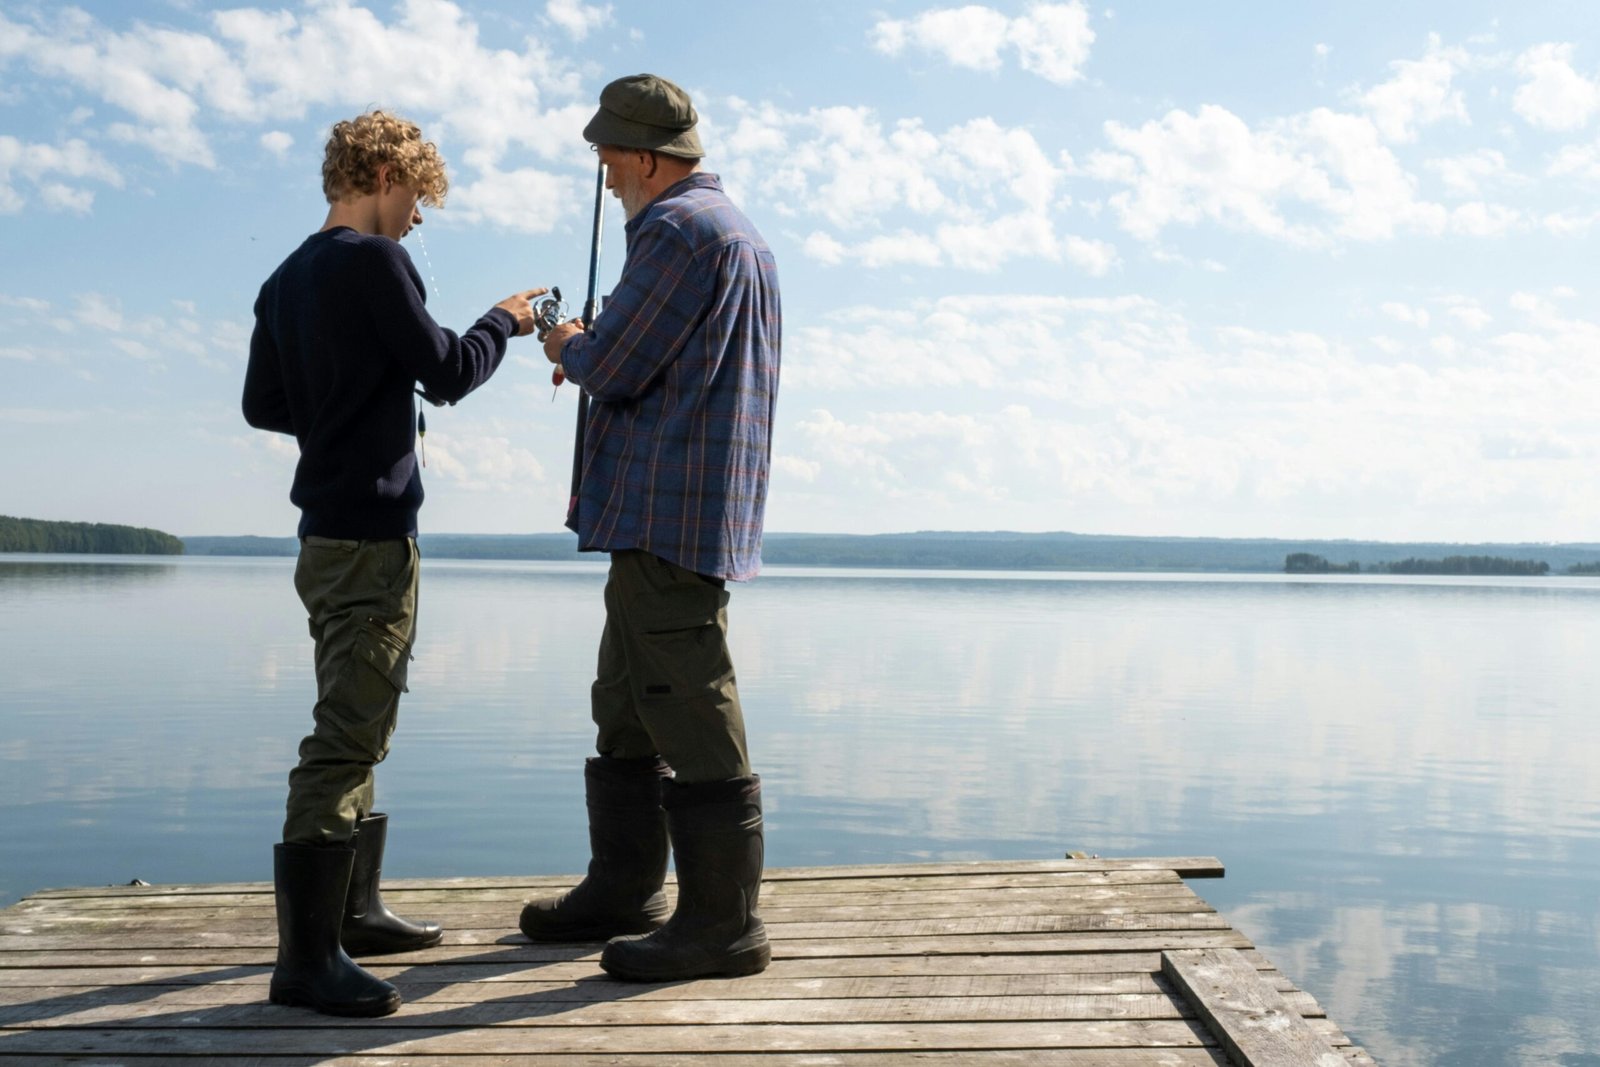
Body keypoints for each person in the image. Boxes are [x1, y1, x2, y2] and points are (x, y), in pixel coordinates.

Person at [242, 109, 546, 1017]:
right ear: (382, 174)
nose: (417, 218)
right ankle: (304, 963)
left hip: (320, 538)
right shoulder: (375, 263)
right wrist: (505, 320)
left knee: (358, 713)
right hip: (372, 540)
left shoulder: (285, 276)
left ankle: (356, 913)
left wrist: (341, 412)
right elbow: (448, 370)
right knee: (347, 737)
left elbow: (264, 404)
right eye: (416, 197)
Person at [520, 73, 781, 983]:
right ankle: (626, 889)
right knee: (627, 695)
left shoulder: (675, 232)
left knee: (690, 701)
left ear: (641, 157)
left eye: (606, 160)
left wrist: (568, 347)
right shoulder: (733, 231)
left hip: (667, 508)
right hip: (681, 505)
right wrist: (598, 348)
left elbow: (618, 364)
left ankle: (722, 925)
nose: (605, 180)